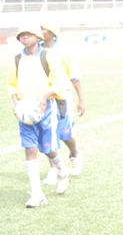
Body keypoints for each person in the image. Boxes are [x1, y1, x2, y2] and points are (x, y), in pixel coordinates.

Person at [7, 24, 71, 207]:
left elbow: (60, 82)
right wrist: (16, 102)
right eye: (22, 35)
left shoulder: (48, 56)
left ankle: (62, 170)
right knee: (30, 148)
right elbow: (12, 84)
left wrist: (44, 97)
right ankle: (37, 193)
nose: (25, 37)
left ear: (37, 37)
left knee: (48, 149)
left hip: (46, 107)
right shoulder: (17, 59)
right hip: (25, 110)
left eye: (29, 34)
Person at [39, 24, 85, 187]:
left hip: (62, 97)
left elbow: (74, 76)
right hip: (45, 98)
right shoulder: (37, 49)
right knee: (49, 133)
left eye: (43, 28)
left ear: (52, 31)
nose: (40, 31)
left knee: (65, 134)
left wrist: (81, 99)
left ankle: (74, 154)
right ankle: (54, 169)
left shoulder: (64, 50)